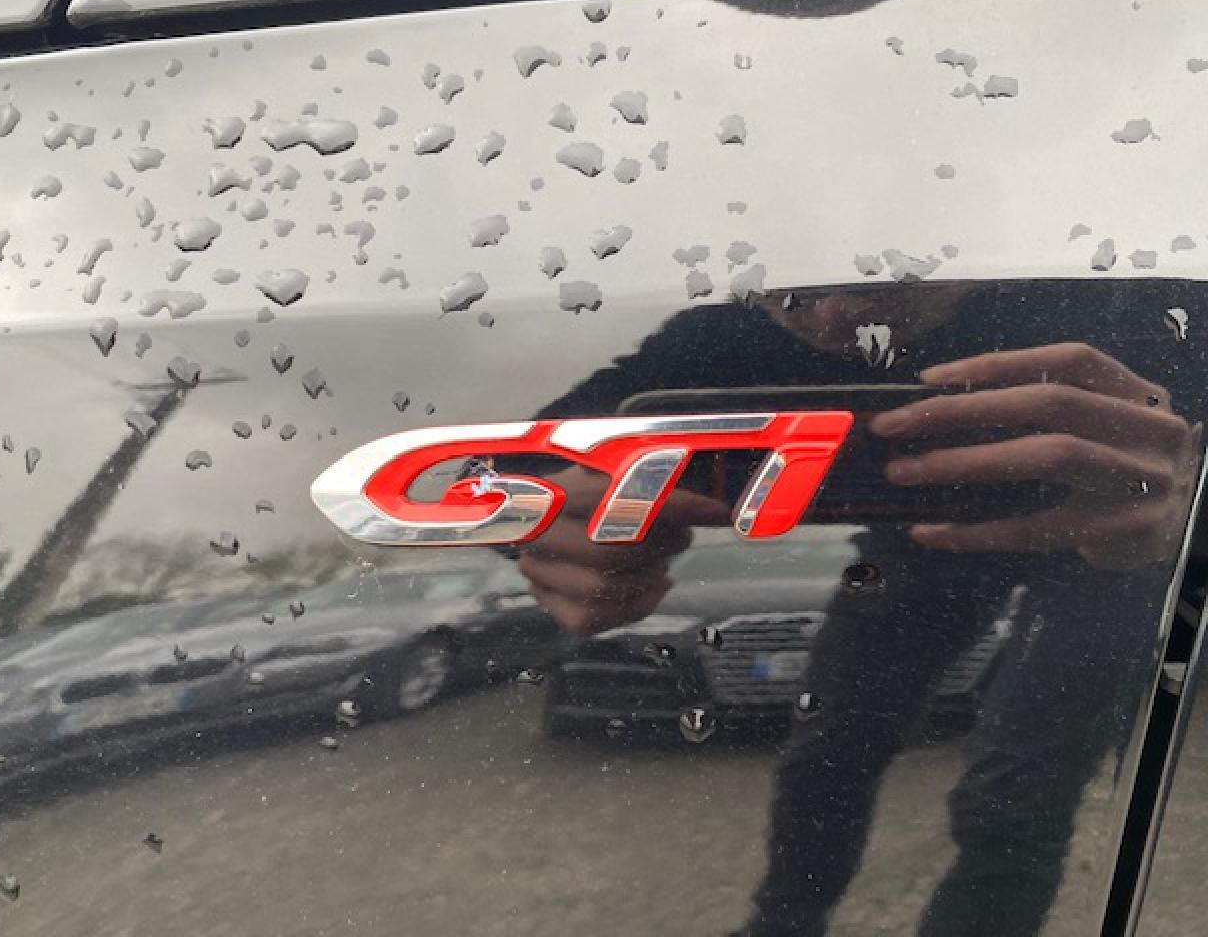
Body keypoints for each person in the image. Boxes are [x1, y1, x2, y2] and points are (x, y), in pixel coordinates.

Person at [512, 279, 1205, 935]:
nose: (836, 313)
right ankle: (780, 928)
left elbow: (494, 471)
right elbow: (503, 472)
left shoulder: (1132, 301)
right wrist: (543, 523)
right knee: (830, 758)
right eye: (795, 295)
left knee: (1017, 795)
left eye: (879, 285)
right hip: (928, 550)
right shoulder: (725, 335)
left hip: (1106, 556)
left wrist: (1189, 505)